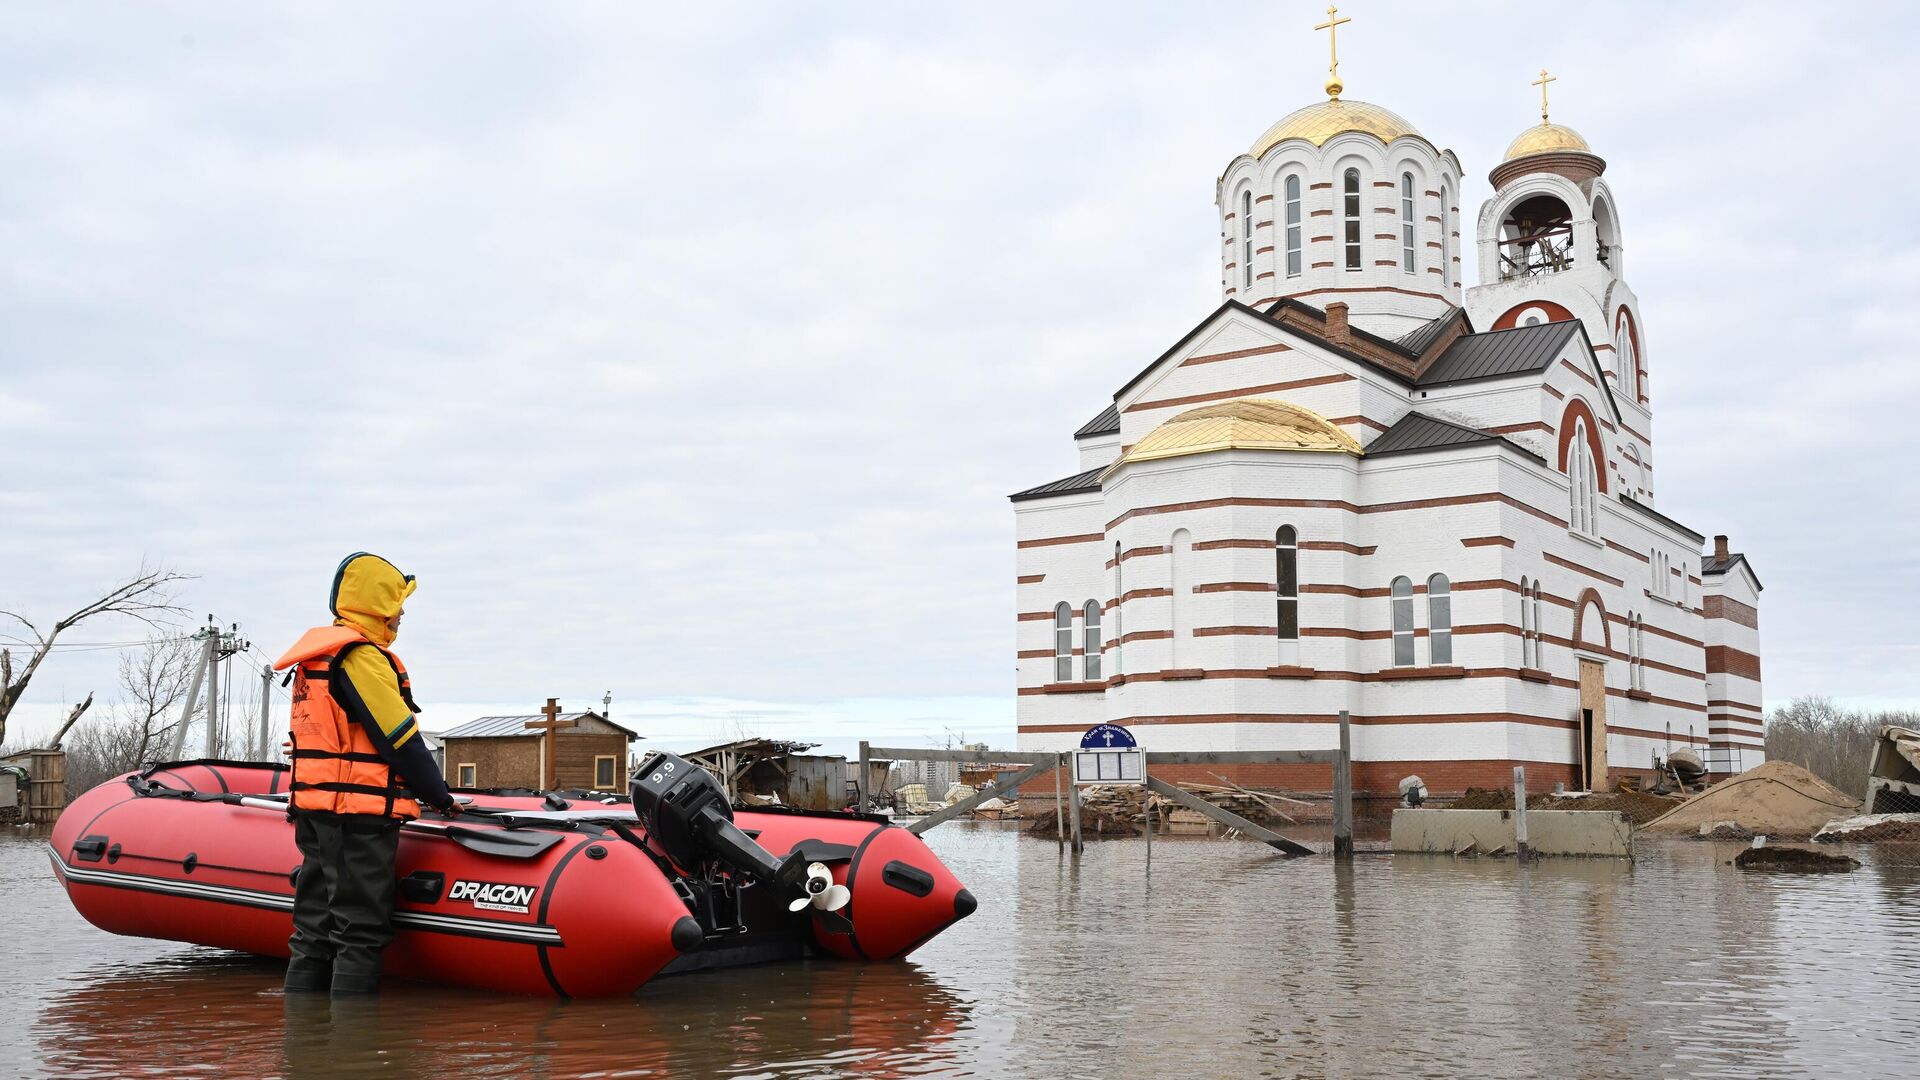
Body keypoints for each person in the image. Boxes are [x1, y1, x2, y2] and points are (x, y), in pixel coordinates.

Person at [272, 551, 456, 995]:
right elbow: (400, 738)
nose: (401, 617)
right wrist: (441, 797)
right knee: (360, 931)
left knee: (313, 927)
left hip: (316, 808)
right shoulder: (362, 658)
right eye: (397, 608)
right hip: (358, 813)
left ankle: (307, 1044)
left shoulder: (318, 657)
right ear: (378, 608)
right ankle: (356, 1045)